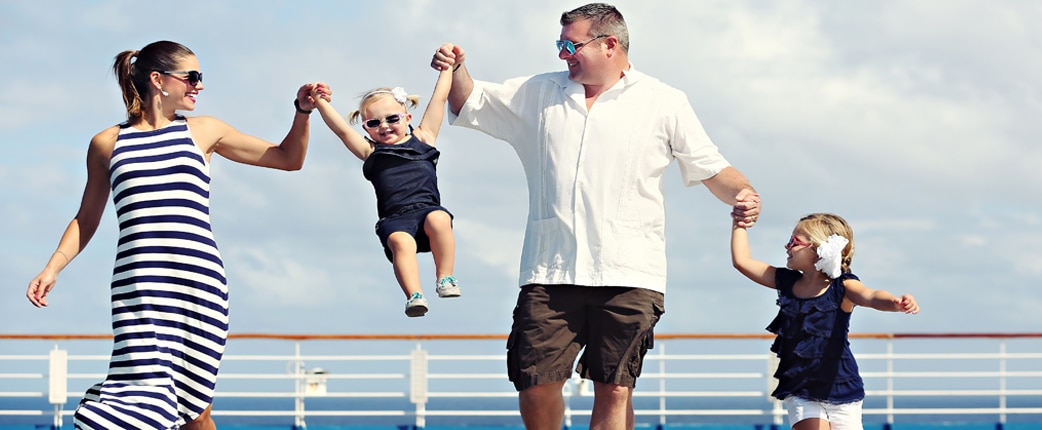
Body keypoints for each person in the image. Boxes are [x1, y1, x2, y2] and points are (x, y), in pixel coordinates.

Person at [430, 4, 760, 429]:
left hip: (630, 271)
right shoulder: (537, 92)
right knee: (534, 383)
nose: (563, 53)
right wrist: (456, 67)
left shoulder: (664, 100)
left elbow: (711, 167)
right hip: (549, 271)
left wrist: (744, 192)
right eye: (559, 44)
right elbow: (470, 100)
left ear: (609, 44)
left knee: (616, 388)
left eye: (571, 44)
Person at [24, 40, 320, 430]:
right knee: (136, 394)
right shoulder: (107, 143)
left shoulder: (204, 131)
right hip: (139, 287)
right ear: (158, 80)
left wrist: (302, 112)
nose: (199, 86)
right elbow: (86, 218)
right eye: (192, 77)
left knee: (196, 411)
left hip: (199, 285)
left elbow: (287, 158)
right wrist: (52, 268)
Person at [730, 212, 920, 430]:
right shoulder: (785, 281)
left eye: (795, 241)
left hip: (841, 388)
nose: (787, 245)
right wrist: (739, 223)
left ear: (818, 249)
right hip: (801, 387)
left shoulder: (843, 286)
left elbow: (870, 296)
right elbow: (742, 261)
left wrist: (896, 302)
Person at [308, 61, 460, 318]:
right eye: (374, 123)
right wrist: (319, 101)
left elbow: (439, 99)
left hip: (427, 211)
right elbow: (342, 131)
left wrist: (448, 68)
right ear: (366, 127)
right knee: (400, 242)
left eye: (392, 119)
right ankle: (414, 295)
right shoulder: (371, 152)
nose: (384, 126)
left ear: (407, 118)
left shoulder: (423, 138)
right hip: (395, 219)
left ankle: (445, 277)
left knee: (439, 219)